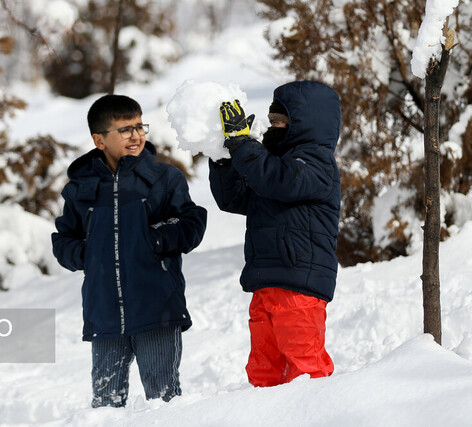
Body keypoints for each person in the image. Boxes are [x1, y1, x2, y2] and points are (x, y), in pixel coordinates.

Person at [52, 94, 207, 407]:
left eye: (139, 126)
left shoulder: (164, 179)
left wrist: (156, 240)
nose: (136, 135)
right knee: (106, 407)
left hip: (156, 307)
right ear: (99, 140)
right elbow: (64, 238)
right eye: (125, 129)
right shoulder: (81, 189)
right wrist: (87, 255)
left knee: (163, 401)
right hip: (104, 312)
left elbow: (191, 223)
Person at [209, 81, 341, 387]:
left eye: (280, 123)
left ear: (306, 125)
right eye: (271, 122)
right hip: (265, 284)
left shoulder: (317, 163)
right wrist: (224, 155)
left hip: (298, 286)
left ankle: (319, 416)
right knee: (264, 371)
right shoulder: (270, 165)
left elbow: (278, 181)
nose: (272, 128)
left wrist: (244, 146)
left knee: (305, 369)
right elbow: (233, 199)